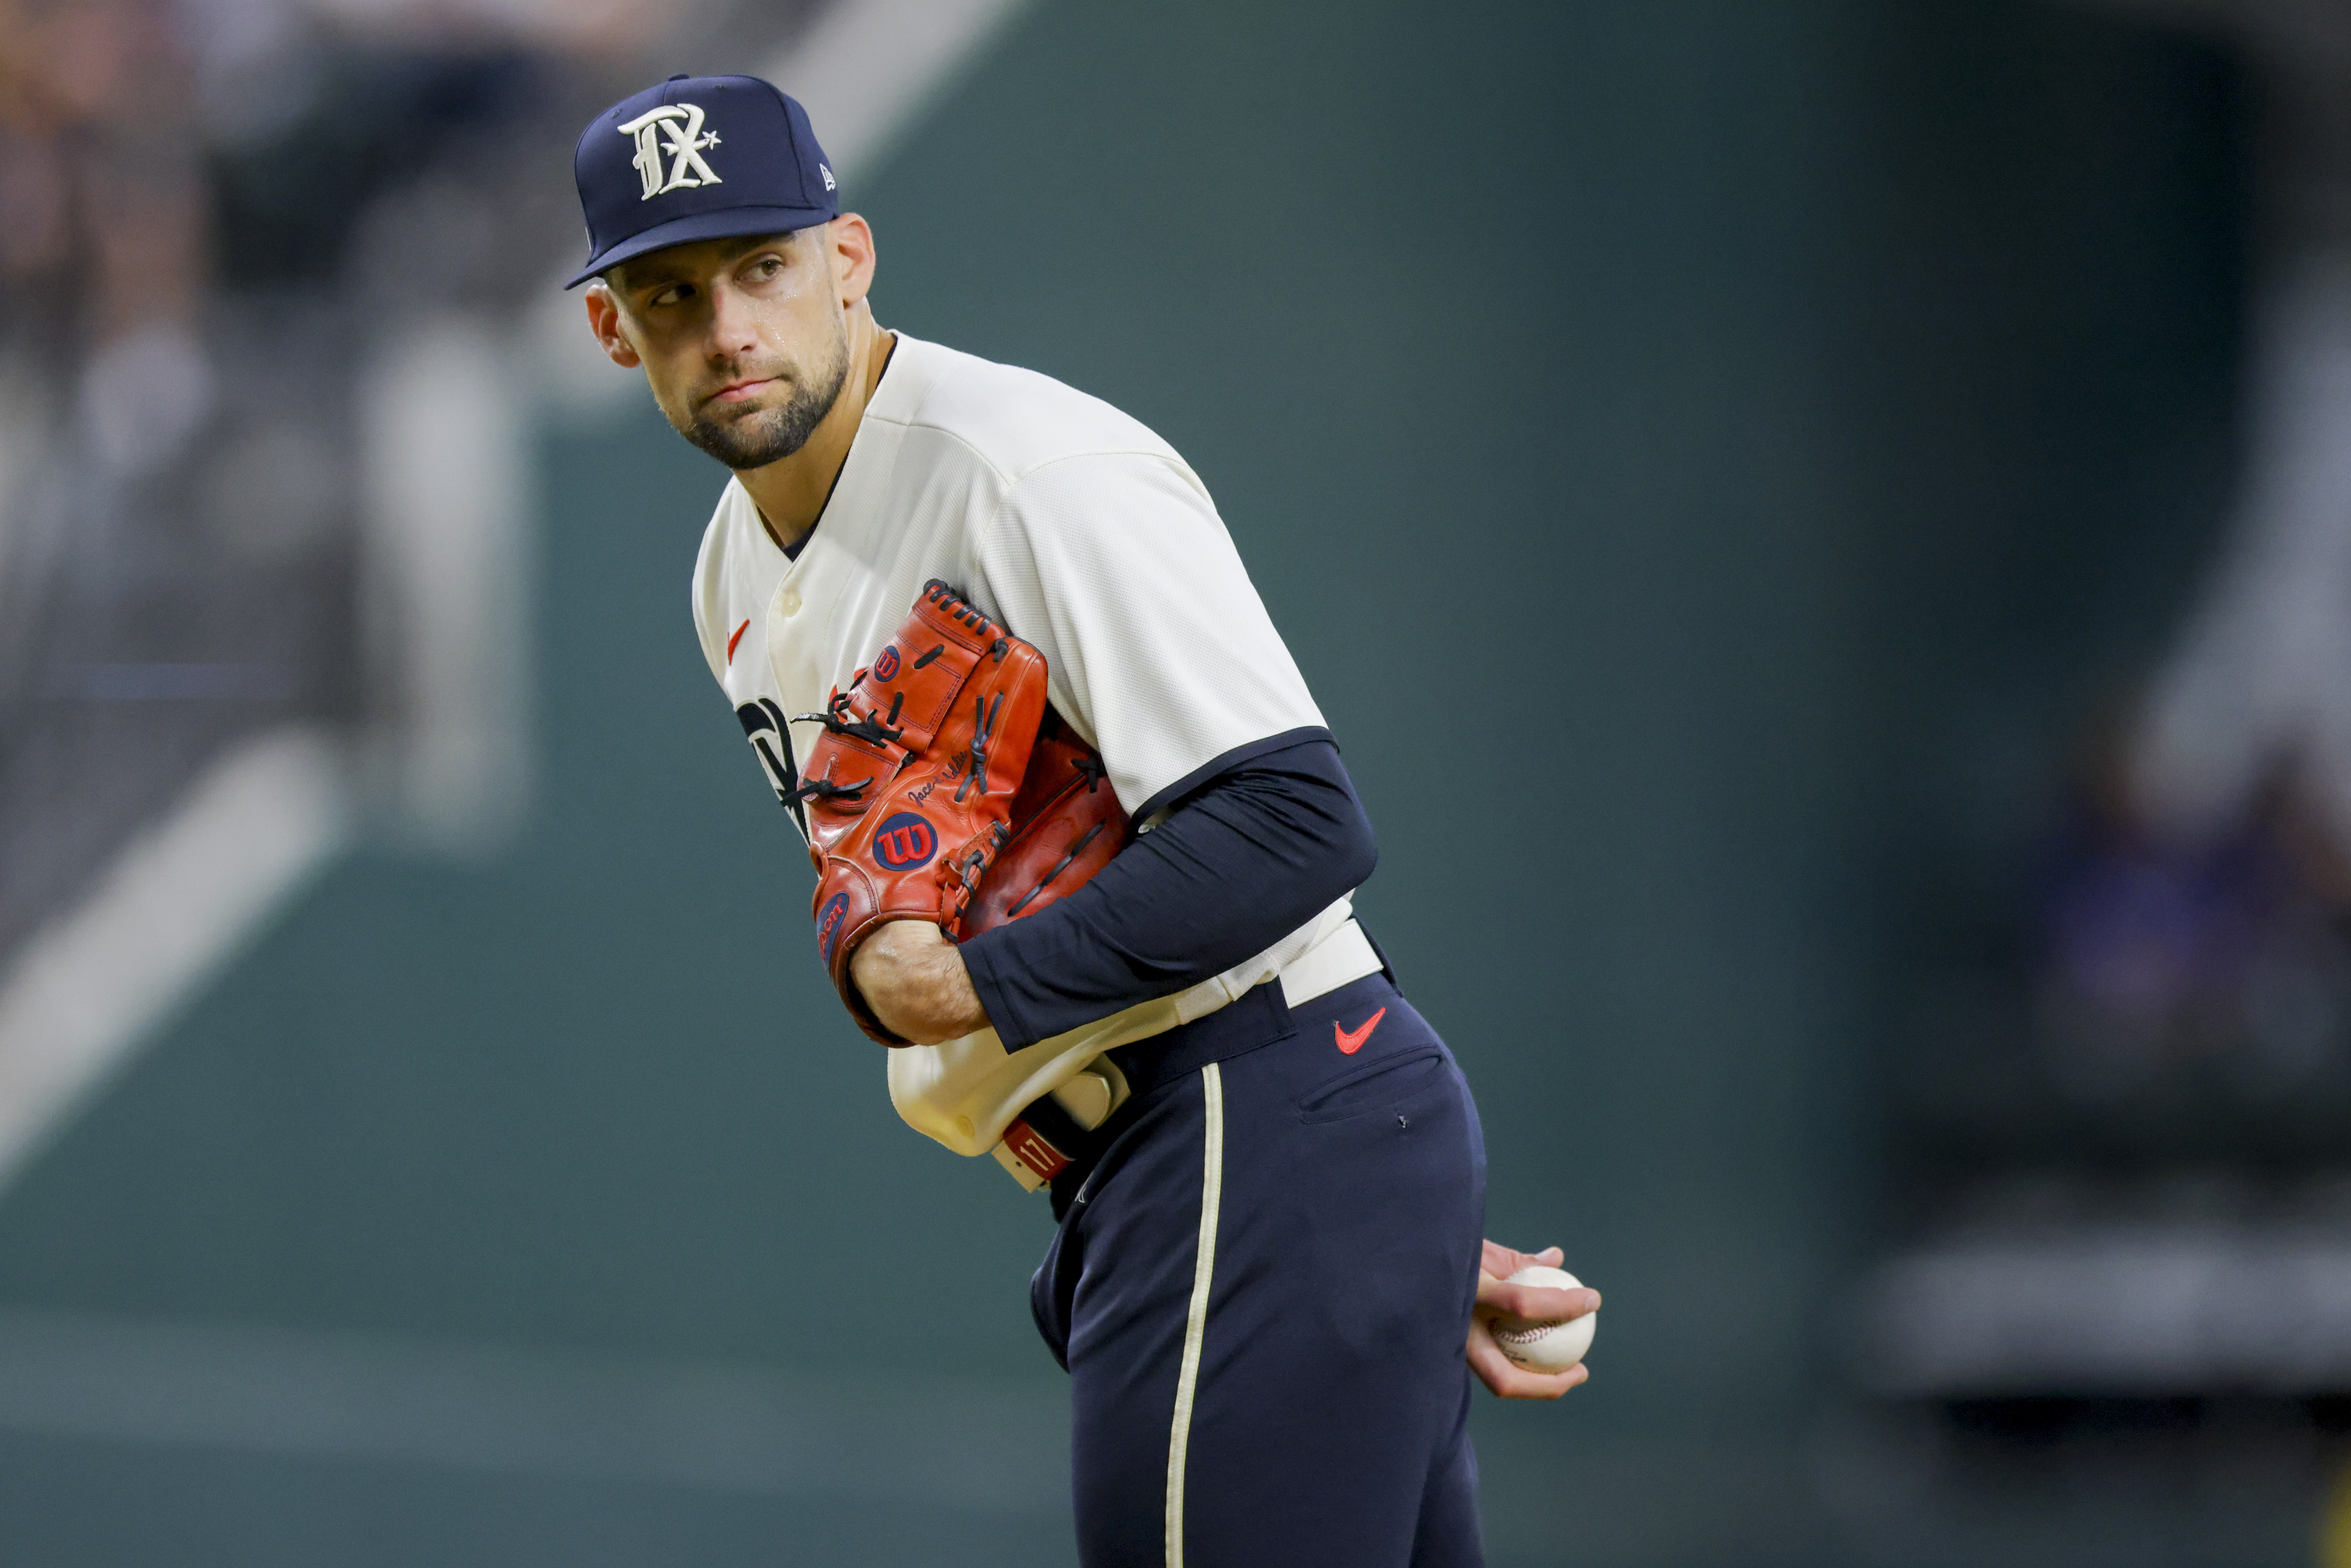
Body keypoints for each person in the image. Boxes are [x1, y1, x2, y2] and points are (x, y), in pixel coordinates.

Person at [568, 74, 1598, 1566]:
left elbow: (1297, 821)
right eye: (670, 294)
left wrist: (970, 993)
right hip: (1230, 1173)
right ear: (614, 332)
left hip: (1247, 1128)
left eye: (763, 268)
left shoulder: (1025, 472)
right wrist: (1361, 1247)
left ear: (849, 258)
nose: (728, 328)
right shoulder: (727, 574)